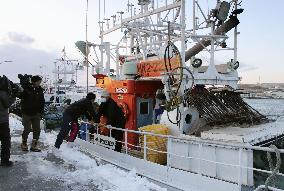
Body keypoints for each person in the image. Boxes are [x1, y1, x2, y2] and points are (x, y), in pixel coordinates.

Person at [20, 75, 45, 152]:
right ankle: (24, 143)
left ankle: (34, 146)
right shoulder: (27, 89)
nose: (40, 83)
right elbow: (21, 96)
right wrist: (25, 86)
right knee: (27, 129)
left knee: (37, 130)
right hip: (26, 113)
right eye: (38, 81)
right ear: (34, 81)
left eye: (40, 81)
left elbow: (42, 101)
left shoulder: (40, 90)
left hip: (36, 114)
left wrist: (41, 112)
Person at [0, 76, 16, 166]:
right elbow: (7, 103)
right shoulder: (2, 93)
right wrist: (13, 96)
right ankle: (5, 161)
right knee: (5, 141)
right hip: (2, 121)